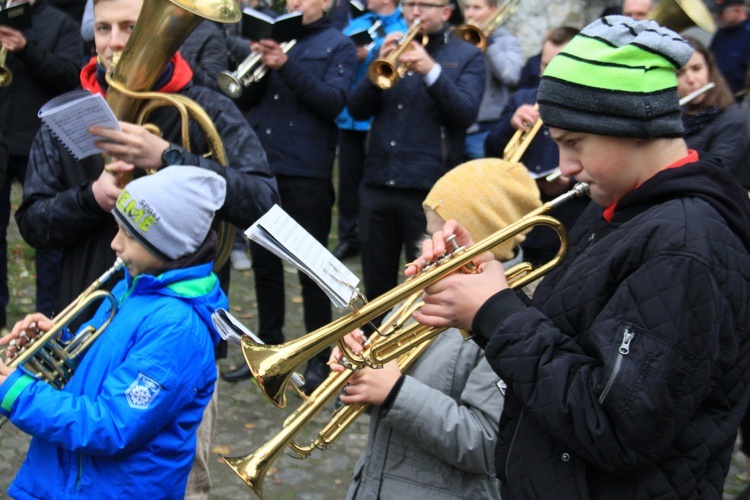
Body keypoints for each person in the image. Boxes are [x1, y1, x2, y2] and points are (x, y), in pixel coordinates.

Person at [410, 16, 750, 497]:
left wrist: (497, 313)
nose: (566, 168)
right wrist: (485, 287)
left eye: (574, 143)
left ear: (635, 126)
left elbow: (615, 428)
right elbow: (573, 343)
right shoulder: (623, 208)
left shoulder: (685, 246)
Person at [14, 0, 279, 497]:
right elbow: (32, 223)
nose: (116, 43)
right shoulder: (66, 115)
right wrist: (91, 198)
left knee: (177, 482)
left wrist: (169, 157)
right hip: (80, 335)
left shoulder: (206, 107)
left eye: (132, 29)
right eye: (106, 29)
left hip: (171, 342)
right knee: (71, 466)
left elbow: (264, 201)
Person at [0, 167, 229, 498]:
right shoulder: (134, 285)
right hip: (66, 481)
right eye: (117, 228)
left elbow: (110, 425)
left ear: (169, 246)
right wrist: (57, 345)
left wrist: (17, 393)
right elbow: (105, 368)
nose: (115, 244)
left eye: (129, 235)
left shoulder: (177, 330)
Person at [331, 158, 541, 499]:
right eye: (428, 234)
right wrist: (357, 369)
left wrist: (395, 392)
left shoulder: (513, 320)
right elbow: (382, 380)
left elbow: (489, 444)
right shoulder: (421, 291)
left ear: (481, 238)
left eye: (442, 236)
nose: (430, 249)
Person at [222, 0, 357, 390]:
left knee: (310, 272)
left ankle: (316, 359)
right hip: (263, 167)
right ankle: (270, 350)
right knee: (264, 268)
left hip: (307, 170)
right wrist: (258, 67)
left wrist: (286, 65)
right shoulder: (273, 40)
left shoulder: (338, 45)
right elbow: (243, 101)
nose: (295, 3)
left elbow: (334, 103)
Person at [345, 0, 484, 329]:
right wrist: (377, 65)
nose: (415, 12)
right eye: (409, 4)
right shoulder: (390, 50)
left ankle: (410, 367)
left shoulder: (468, 56)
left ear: (446, 13)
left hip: (427, 191)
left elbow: (465, 113)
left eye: (425, 5)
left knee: (425, 287)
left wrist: (431, 71)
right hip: (378, 182)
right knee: (375, 288)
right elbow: (356, 109)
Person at [0, 0, 81, 326]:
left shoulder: (59, 23)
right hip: (2, 136)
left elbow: (68, 76)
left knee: (48, 231)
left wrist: (25, 48)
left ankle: (48, 314)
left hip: (41, 140)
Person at [484, 26, 586, 268]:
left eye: (556, 67)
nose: (546, 75)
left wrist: (567, 184)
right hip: (519, 221)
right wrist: (511, 125)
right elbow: (491, 151)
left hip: (567, 223)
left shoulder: (588, 107)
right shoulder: (523, 99)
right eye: (543, 65)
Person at [332, 0, 407, 261]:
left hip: (380, 120)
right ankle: (348, 237)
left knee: (372, 184)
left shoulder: (405, 25)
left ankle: (370, 236)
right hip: (351, 116)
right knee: (348, 183)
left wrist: (374, 54)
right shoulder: (358, 24)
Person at [678, 36, 749, 178]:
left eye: (697, 69)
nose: (691, 80)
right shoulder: (672, 119)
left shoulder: (733, 120)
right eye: (679, 74)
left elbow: (715, 173)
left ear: (709, 69)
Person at [462, 0, 522, 160]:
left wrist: (488, 43)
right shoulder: (460, 38)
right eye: (467, 8)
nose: (469, 14)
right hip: (457, 129)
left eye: (476, 8)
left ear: (493, 11)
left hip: (487, 130)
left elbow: (511, 75)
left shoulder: (507, 42)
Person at [709, 0, 750, 96]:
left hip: (740, 96)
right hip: (718, 92)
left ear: (737, 10)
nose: (717, 17)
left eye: (721, 13)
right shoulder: (721, 32)